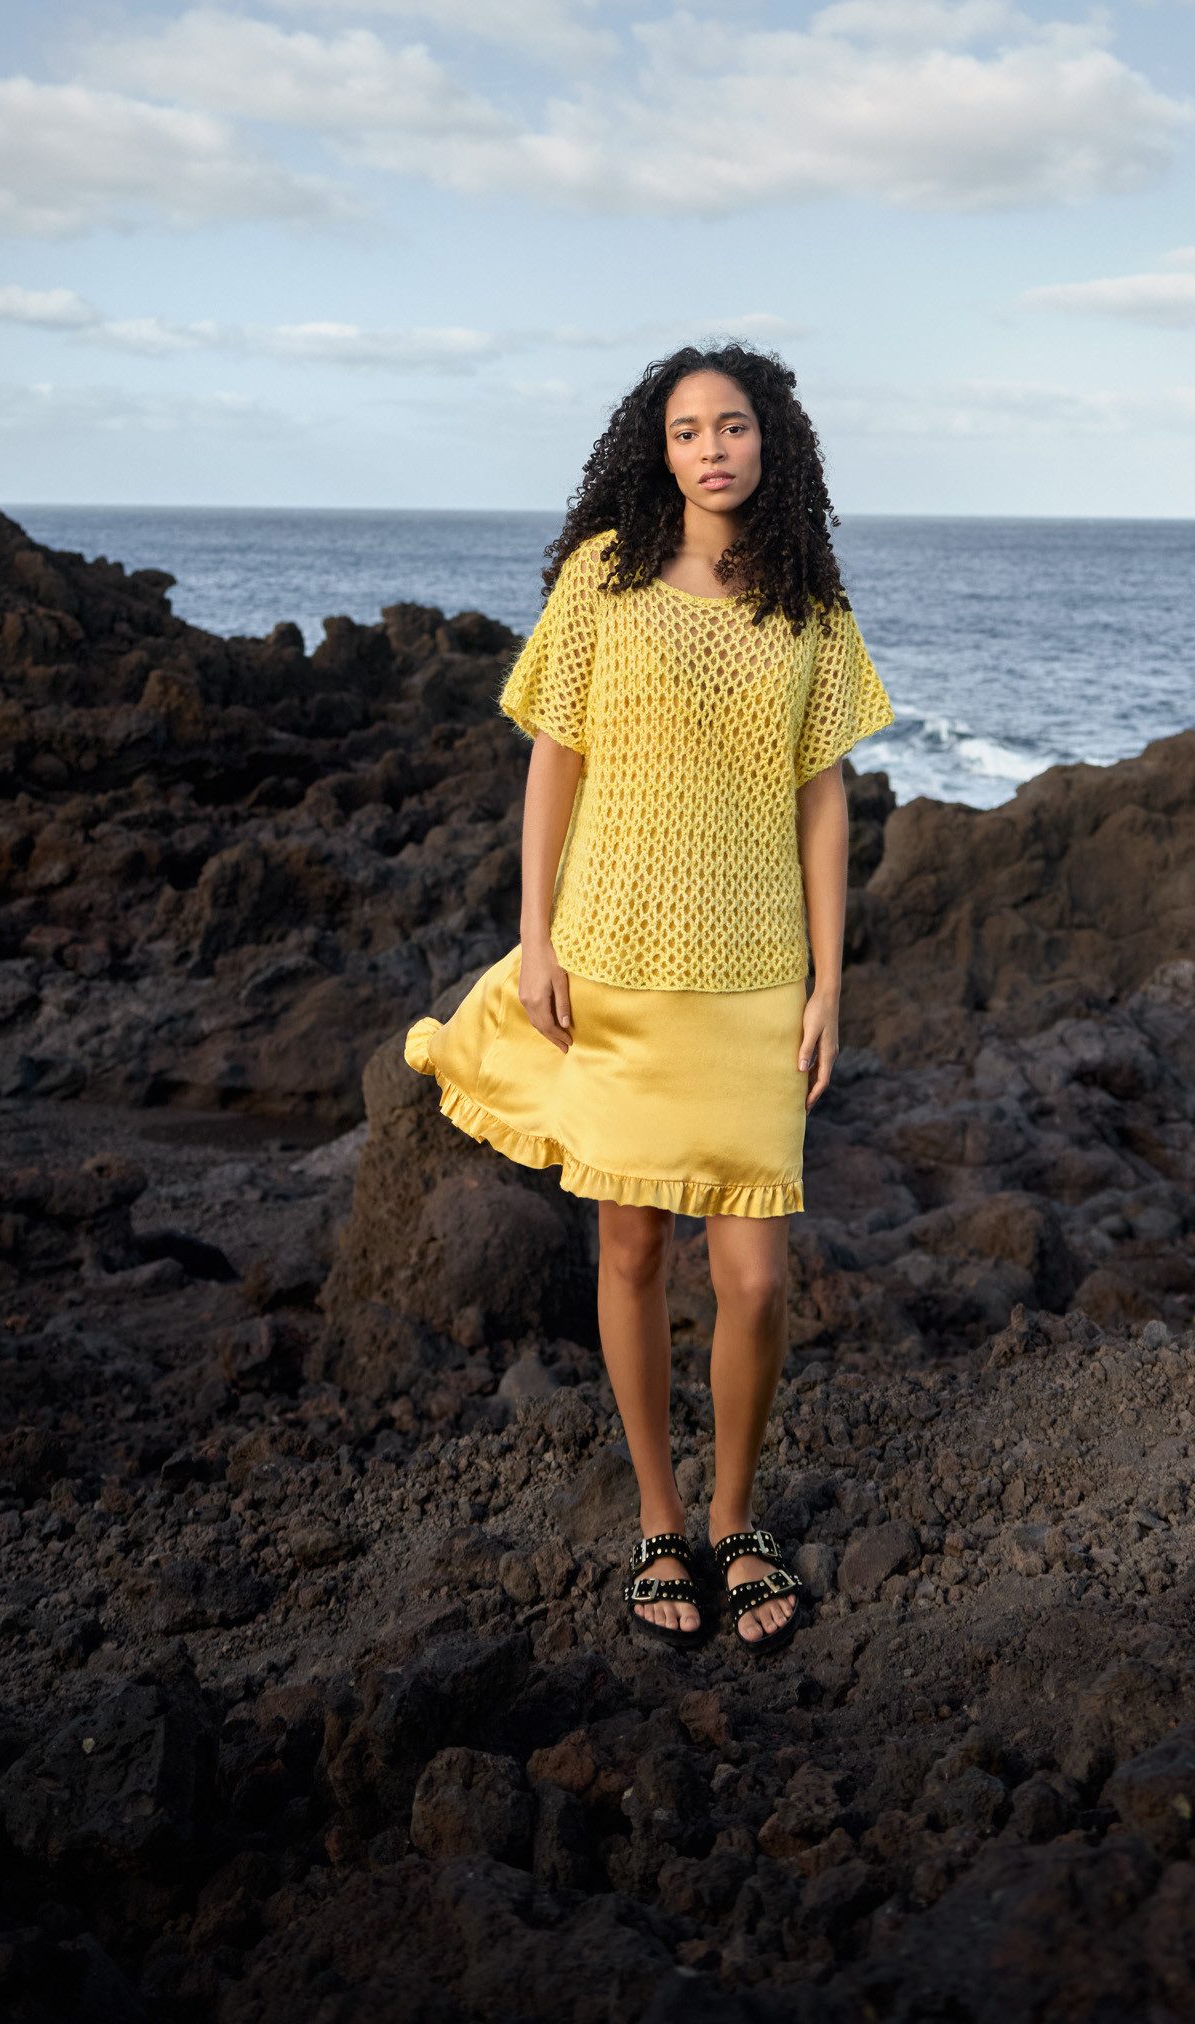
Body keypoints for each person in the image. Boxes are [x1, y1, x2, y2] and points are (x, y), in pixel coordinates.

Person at [404, 342, 893, 1652]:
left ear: (769, 444)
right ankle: (658, 1521)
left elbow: (822, 800)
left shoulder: (806, 605)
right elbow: (551, 762)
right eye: (686, 431)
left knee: (753, 1280)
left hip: (749, 975)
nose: (711, 449)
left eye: (732, 426)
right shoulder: (602, 581)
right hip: (612, 956)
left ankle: (736, 1520)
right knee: (626, 1248)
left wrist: (825, 986)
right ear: (657, 450)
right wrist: (535, 937)